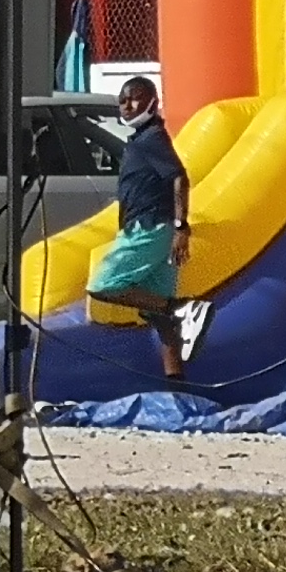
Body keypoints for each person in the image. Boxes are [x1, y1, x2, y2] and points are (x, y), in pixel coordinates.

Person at [89, 76, 202, 378]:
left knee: (102, 285)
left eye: (135, 98)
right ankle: (177, 386)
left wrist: (181, 227)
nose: (127, 105)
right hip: (152, 228)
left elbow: (179, 178)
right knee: (160, 318)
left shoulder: (152, 138)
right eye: (122, 100)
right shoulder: (142, 139)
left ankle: (182, 308)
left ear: (153, 101)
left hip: (150, 228)